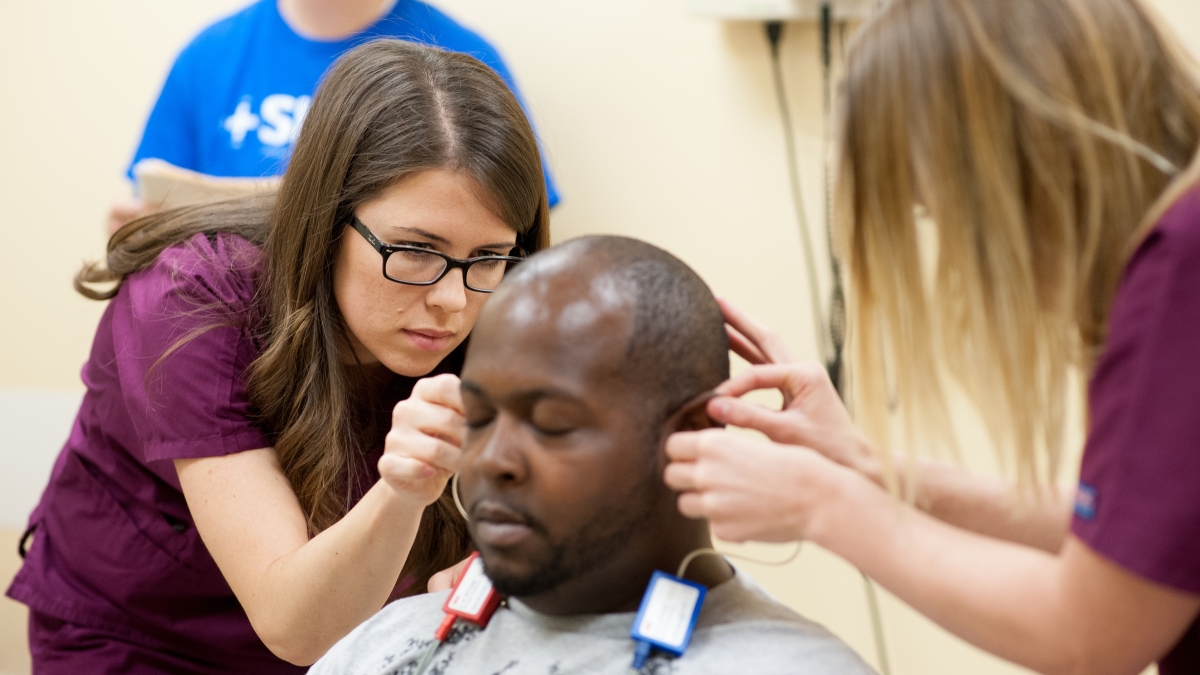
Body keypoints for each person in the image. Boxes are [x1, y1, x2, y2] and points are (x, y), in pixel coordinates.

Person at [663, 1, 1200, 674]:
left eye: (937, 203)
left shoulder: (1182, 268)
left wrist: (823, 502)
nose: (952, 240)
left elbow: (1091, 631)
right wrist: (865, 466)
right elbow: (1128, 536)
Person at [8, 39, 549, 674]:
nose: (452, 301)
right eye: (415, 250)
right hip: (146, 641)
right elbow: (295, 626)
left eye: (488, 256)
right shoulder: (192, 300)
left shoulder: (501, 299)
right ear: (328, 218)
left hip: (346, 631)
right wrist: (404, 492)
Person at [309, 235, 876, 675]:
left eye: (552, 424)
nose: (490, 461)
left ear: (694, 433)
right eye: (479, 418)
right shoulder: (384, 643)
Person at [109, 0, 560, 231]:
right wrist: (135, 233)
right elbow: (149, 205)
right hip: (228, 331)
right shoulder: (210, 55)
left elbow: (518, 227)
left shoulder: (463, 58)